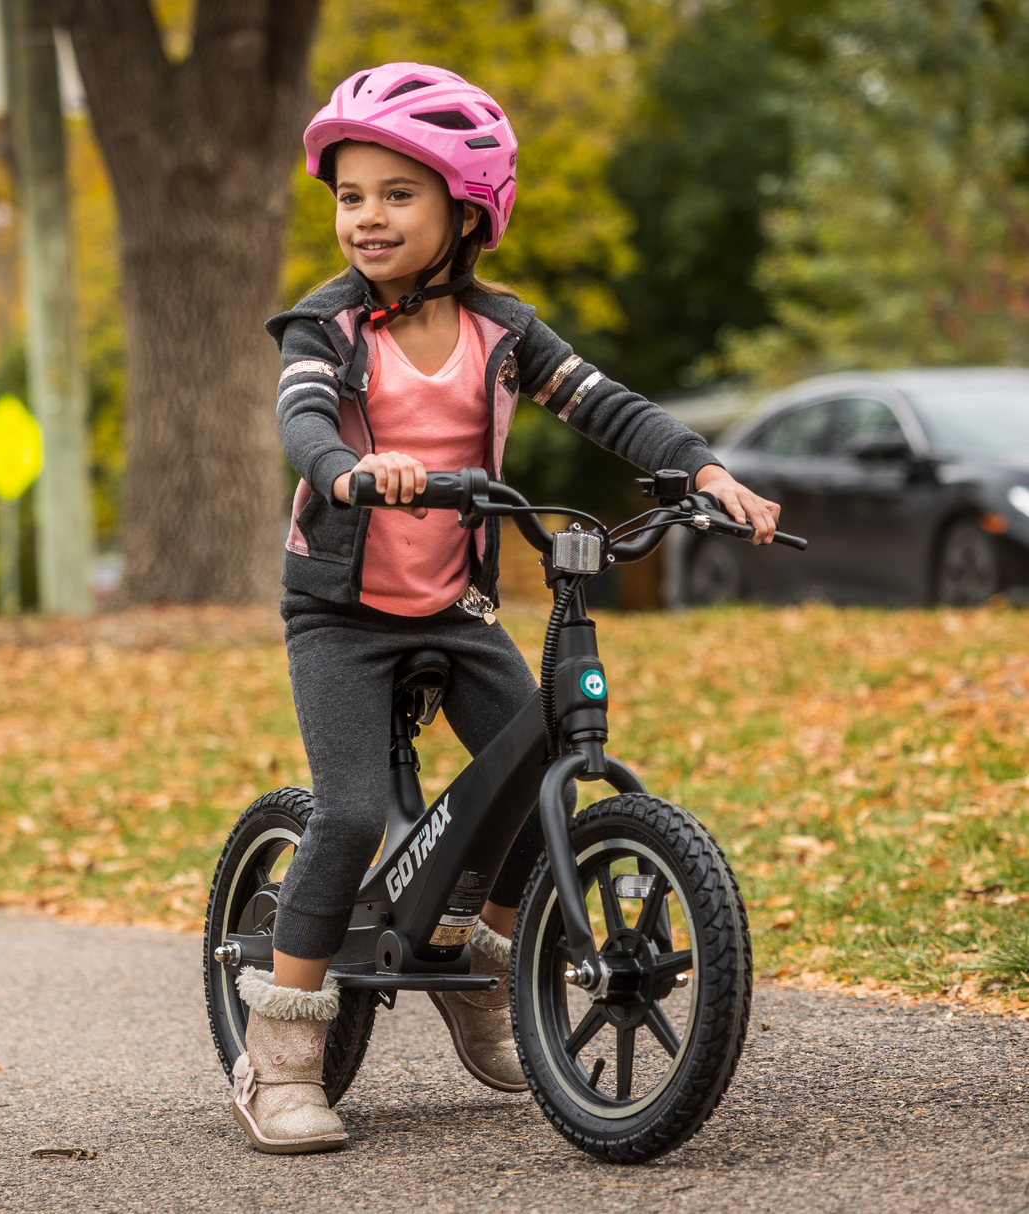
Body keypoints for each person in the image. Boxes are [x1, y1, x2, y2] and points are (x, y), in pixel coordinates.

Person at [230, 62, 781, 1155]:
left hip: (453, 603)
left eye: (397, 194)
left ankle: (488, 964)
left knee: (539, 770)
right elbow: (302, 420)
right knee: (348, 813)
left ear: (467, 210)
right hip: (342, 614)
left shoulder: (505, 330)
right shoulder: (327, 327)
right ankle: (279, 1053)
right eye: (351, 195)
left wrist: (703, 470)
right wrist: (346, 468)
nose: (366, 216)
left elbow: (606, 405)